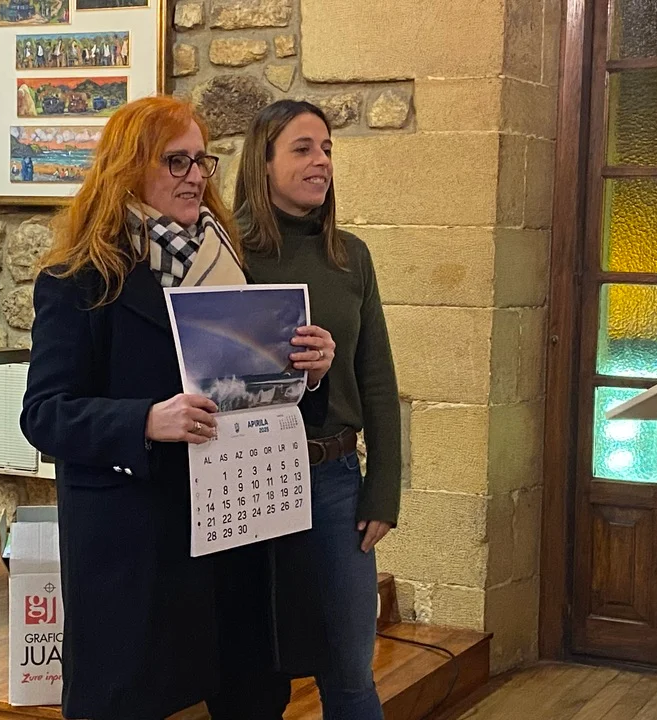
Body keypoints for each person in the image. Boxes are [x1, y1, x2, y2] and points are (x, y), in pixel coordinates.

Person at [19, 95, 335, 720]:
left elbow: (255, 393)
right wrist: (143, 420)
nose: (194, 176)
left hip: (232, 528)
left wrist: (309, 372)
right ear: (129, 168)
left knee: (249, 698)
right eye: (176, 161)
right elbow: (44, 414)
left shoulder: (230, 266)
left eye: (201, 161)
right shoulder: (80, 277)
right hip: (137, 541)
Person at [235, 99, 403, 720]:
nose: (321, 161)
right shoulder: (226, 252)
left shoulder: (350, 256)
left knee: (350, 671)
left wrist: (383, 488)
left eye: (327, 149)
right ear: (264, 161)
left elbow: (377, 379)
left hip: (333, 480)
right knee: (254, 676)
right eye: (303, 148)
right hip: (249, 475)